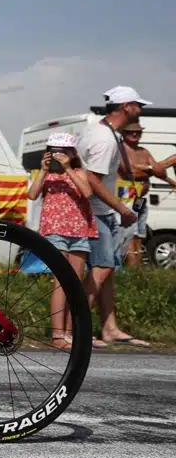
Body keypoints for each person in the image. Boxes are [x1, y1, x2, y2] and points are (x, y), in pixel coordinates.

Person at [75, 86, 149, 348]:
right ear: (126, 107)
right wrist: (122, 209)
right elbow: (93, 178)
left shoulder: (101, 131)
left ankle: (109, 328)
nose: (141, 110)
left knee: (107, 271)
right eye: (138, 105)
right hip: (97, 211)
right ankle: (79, 328)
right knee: (103, 267)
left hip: (98, 211)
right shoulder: (105, 138)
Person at [27, 132, 96, 349]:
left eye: (63, 151)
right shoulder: (46, 174)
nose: (58, 155)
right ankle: (57, 335)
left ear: (72, 153)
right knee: (60, 281)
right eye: (53, 151)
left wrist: (67, 168)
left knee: (75, 283)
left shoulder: (79, 172)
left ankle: (69, 333)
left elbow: (87, 192)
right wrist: (43, 169)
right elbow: (32, 195)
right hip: (54, 230)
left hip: (79, 231)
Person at [116, 122, 175, 266]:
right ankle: (132, 271)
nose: (135, 134)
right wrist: (155, 167)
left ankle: (137, 270)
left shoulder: (143, 151)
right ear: (123, 133)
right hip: (125, 194)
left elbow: (160, 172)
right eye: (131, 132)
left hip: (139, 197)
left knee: (139, 235)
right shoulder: (119, 150)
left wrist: (170, 181)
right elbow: (131, 172)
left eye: (138, 132)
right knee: (129, 235)